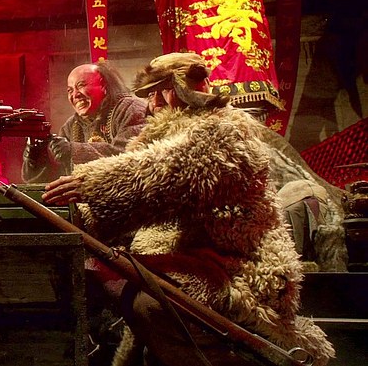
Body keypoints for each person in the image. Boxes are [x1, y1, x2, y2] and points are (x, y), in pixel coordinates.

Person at [41, 52, 335, 366]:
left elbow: (166, 170)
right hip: (192, 257)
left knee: (150, 303)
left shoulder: (224, 131)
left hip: (238, 267)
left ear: (188, 88)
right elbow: (136, 204)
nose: (154, 103)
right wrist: (77, 217)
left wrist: (91, 182)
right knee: (97, 274)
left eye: (163, 90)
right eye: (150, 94)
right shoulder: (156, 137)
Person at [22, 60, 147, 183]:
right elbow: (53, 177)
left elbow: (128, 157)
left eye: (81, 85)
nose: (75, 95)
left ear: (104, 86)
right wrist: (35, 156)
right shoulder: (71, 126)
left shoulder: (131, 109)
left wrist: (74, 151)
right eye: (70, 90)